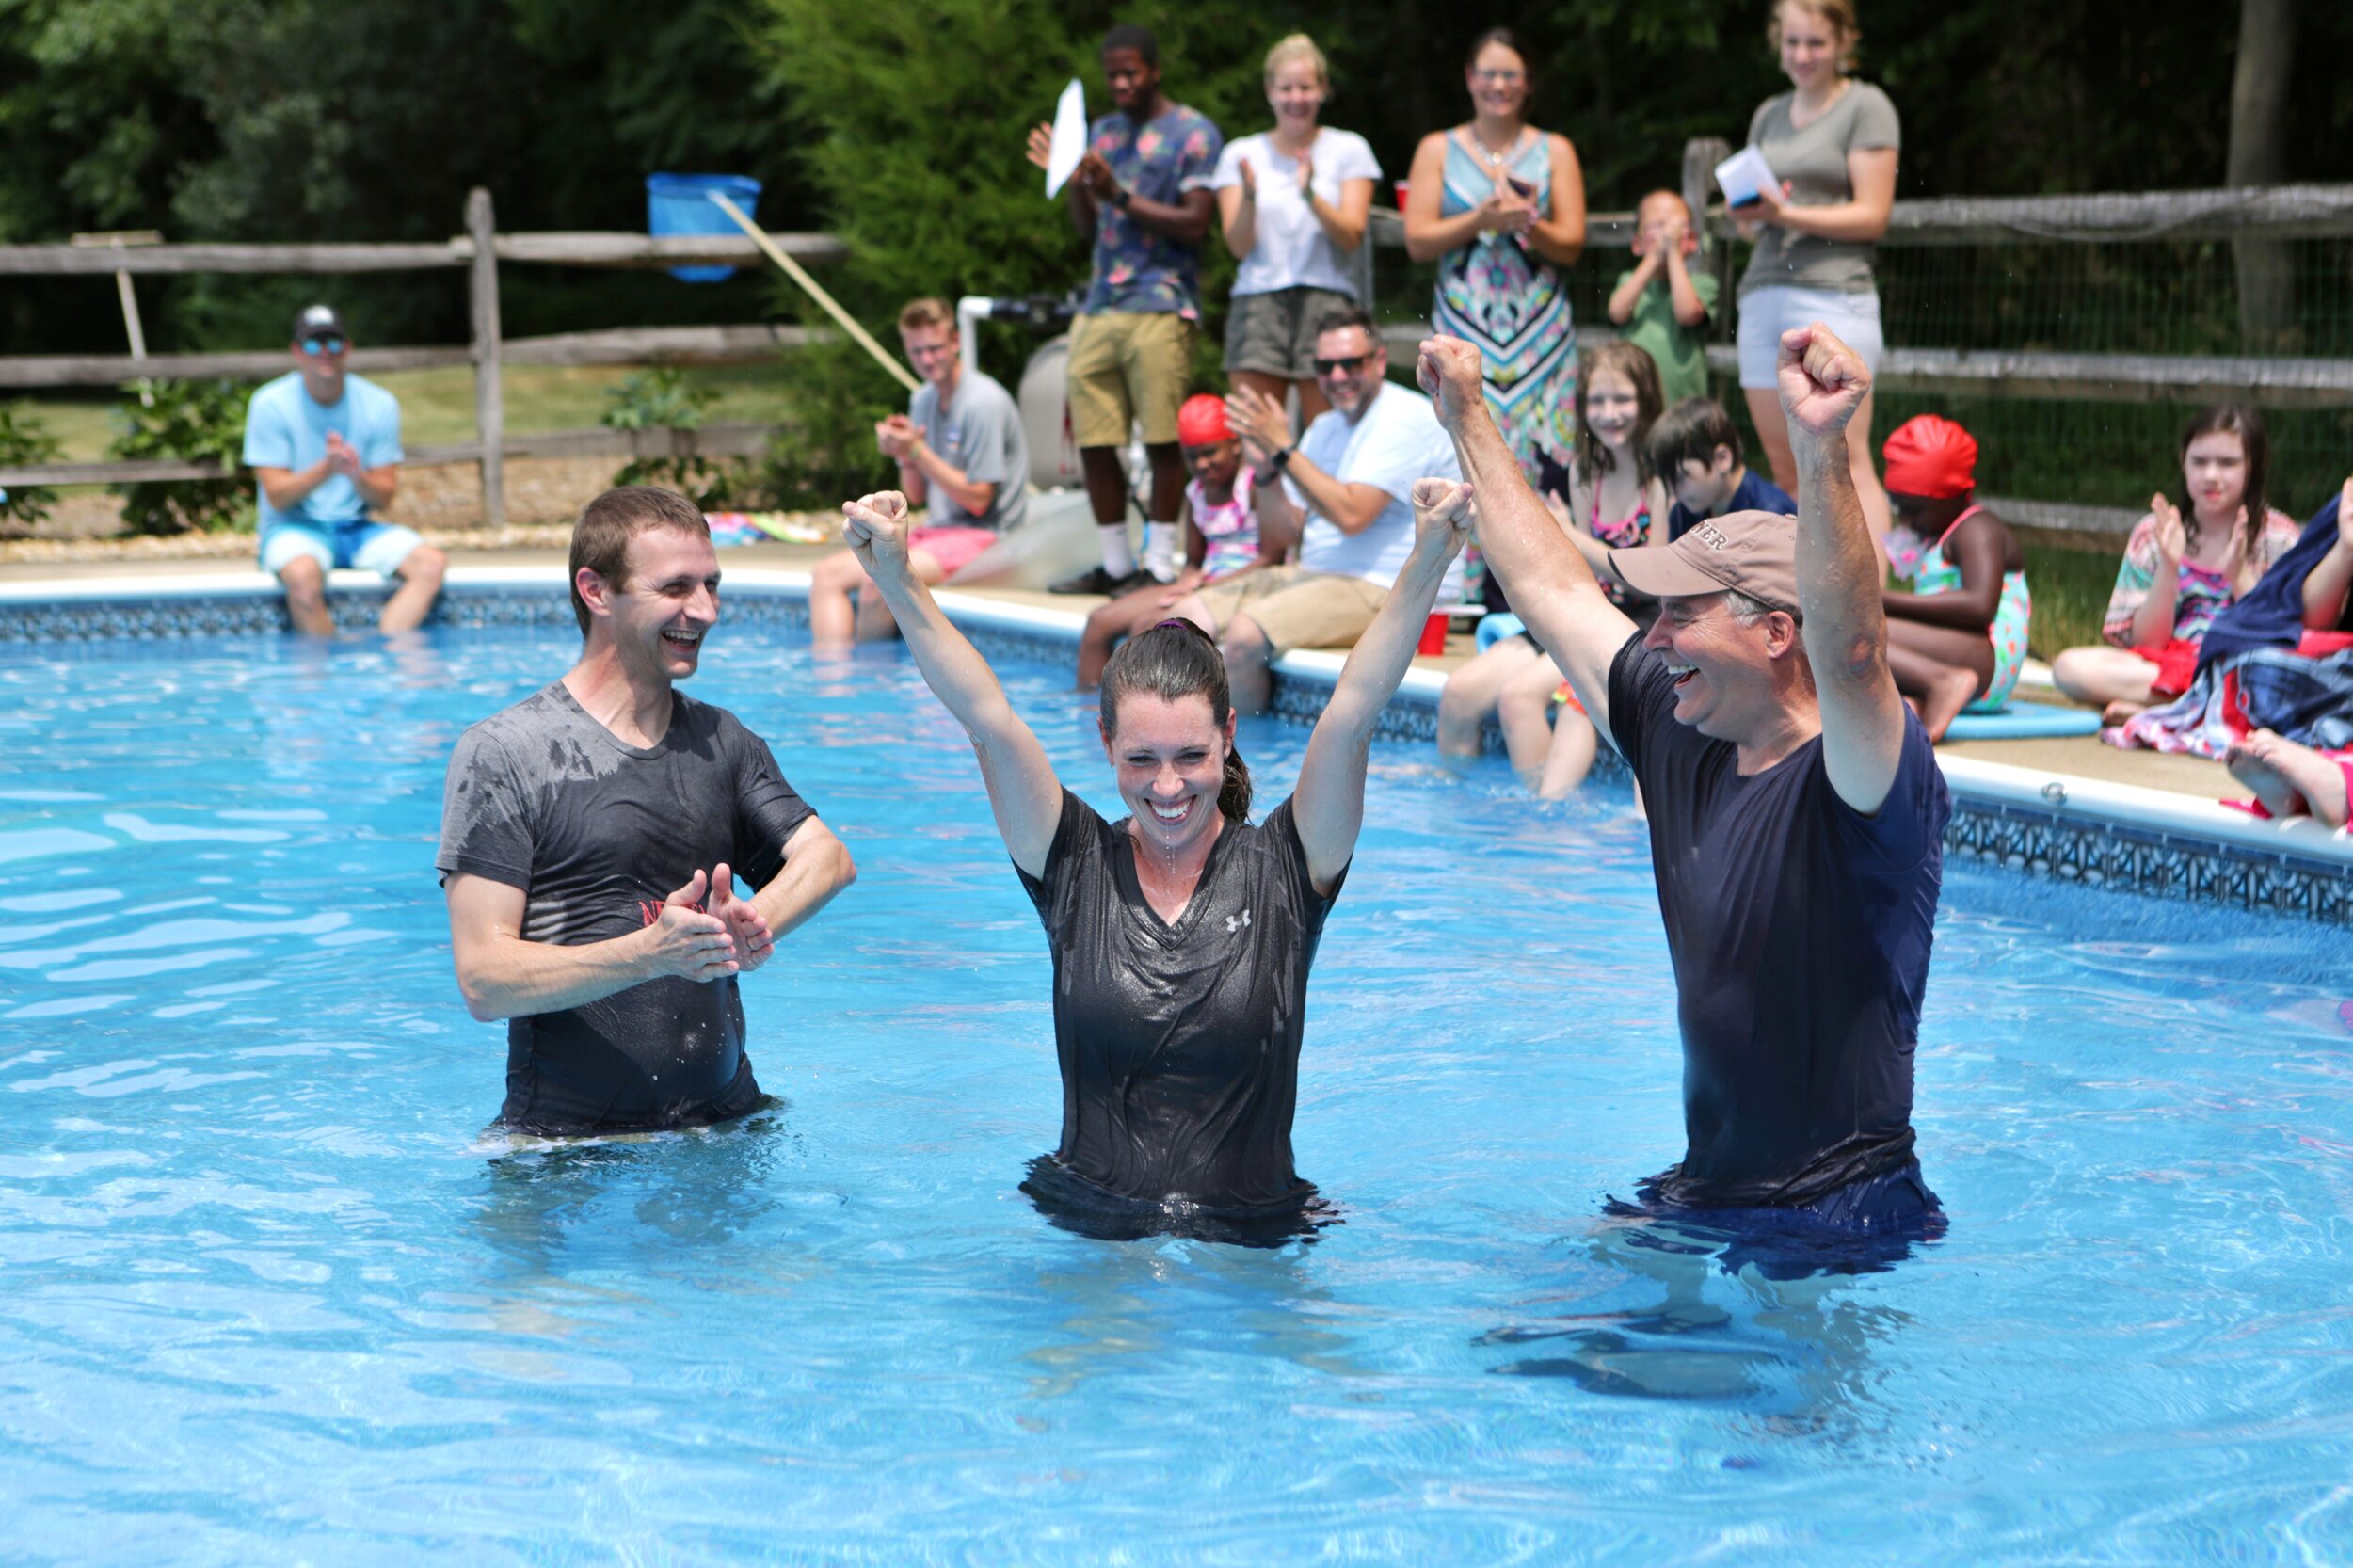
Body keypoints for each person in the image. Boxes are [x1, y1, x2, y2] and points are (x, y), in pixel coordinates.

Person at [836, 474, 1478, 1243]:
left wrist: (1430, 554)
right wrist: (897, 577)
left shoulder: (1287, 871)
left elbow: (1354, 713)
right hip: (1090, 1233)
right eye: (1140, 759)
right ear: (1105, 744)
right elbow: (987, 721)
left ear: (1230, 736)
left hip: (1256, 1238)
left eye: (1191, 756)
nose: (1167, 787)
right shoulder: (1071, 862)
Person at [1417, 320, 1950, 1230]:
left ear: (1777, 633)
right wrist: (1466, 413)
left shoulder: (1860, 793)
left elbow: (1856, 651)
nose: (1653, 639)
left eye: (1681, 616)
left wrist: (1821, 446)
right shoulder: (1682, 733)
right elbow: (1553, 594)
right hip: (1710, 1187)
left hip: (1839, 1208)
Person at [437, 487, 857, 1137]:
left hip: (727, 1130)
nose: (706, 611)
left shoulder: (723, 742)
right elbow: (484, 981)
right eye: (677, 588)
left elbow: (828, 857)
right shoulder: (505, 753)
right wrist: (651, 954)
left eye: (712, 586)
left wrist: (738, 934)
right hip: (566, 1149)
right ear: (596, 591)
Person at [1024, 24, 1222, 592]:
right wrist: (1073, 182)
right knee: (1094, 440)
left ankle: (1158, 565)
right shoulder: (1103, 133)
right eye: (1112, 74)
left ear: (1155, 69)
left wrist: (1117, 194)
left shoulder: (1193, 132)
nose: (1121, 83)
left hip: (1162, 301)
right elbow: (1090, 229)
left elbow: (1197, 224)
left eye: (1132, 72)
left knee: (1162, 437)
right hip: (1100, 302)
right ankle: (1114, 565)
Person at [1197, 306, 1463, 715]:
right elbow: (1285, 534)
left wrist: (1283, 449)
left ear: (1378, 360)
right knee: (1183, 619)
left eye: (1350, 363)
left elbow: (1352, 516)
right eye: (1325, 366)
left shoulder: (1403, 418)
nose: (1337, 376)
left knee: (1246, 636)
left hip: (1387, 588)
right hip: (1319, 577)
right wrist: (1267, 470)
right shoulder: (1324, 427)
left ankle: (1238, 769)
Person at [1439, 341, 1668, 793]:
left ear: (1647, 400)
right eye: (1597, 401)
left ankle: (1546, 821)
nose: (1609, 413)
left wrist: (1573, 538)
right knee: (1459, 692)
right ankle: (1454, 799)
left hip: (1636, 622)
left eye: (1622, 399)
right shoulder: (1586, 472)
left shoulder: (1658, 475)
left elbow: (1654, 576)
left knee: (1517, 698)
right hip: (1583, 606)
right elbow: (1575, 570)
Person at [1732, 0, 1900, 541]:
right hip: (1762, 295)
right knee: (1788, 471)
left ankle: (1872, 610)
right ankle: (1813, 609)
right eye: (1792, 43)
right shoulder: (1768, 114)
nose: (1802, 55)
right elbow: (1752, 228)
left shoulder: (1867, 106)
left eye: (1816, 43)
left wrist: (1785, 212)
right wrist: (1753, 214)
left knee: (1846, 462)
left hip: (1833, 294)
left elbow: (1873, 215)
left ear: (1842, 44)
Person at [1401, 27, 1586, 482]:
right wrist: (1481, 219)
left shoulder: (1555, 149)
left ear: (1527, 82)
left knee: (1547, 458)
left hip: (1540, 334)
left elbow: (1571, 245)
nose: (1498, 85)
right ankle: (1468, 553)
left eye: (1510, 75)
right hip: (1464, 325)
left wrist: (1527, 223)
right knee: (1466, 454)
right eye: (1488, 74)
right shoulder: (1436, 148)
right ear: (1469, 77)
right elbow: (1418, 241)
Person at [2050, 404, 2302, 723]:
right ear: (2183, 461)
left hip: (2244, 666)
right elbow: (2147, 643)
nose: (2211, 475)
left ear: (2252, 466)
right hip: (2166, 668)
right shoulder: (2153, 532)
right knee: (2069, 668)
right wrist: (2169, 567)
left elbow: (2280, 635)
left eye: (2227, 463)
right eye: (2199, 461)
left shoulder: (2278, 536)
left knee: (2277, 678)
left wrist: (2238, 575)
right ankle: (2192, 705)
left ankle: (2170, 707)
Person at [806, 298, 1032, 645]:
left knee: (878, 585)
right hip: (940, 532)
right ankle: (833, 685)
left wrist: (915, 450)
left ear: (955, 341)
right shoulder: (924, 399)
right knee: (826, 575)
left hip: (988, 538)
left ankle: (867, 685)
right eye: (917, 352)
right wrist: (904, 456)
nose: (927, 360)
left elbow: (978, 501)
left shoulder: (983, 403)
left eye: (935, 348)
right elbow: (918, 495)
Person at [243, 304, 445, 636]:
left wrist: (354, 473)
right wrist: (326, 469)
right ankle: (328, 680)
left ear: (347, 348)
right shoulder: (269, 404)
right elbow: (277, 497)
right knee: (304, 579)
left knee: (431, 564)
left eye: (333, 342)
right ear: (297, 352)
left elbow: (383, 498)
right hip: (294, 528)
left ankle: (389, 658)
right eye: (313, 344)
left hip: (356, 528)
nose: (324, 352)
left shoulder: (379, 404)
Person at [1210, 34, 1380, 426]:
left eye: (1306, 87)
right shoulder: (1241, 154)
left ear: (1322, 90)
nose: (1296, 98)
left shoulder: (1348, 149)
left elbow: (1351, 236)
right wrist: (1249, 197)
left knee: (1329, 432)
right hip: (1257, 302)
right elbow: (1237, 247)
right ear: (1269, 92)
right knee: (1257, 435)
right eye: (1286, 88)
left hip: (1328, 300)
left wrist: (1310, 195)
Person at [1076, 394, 1290, 688]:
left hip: (1248, 581)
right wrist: (1185, 583)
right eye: (1191, 456)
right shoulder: (1195, 493)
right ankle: (1090, 718)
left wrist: (1205, 587)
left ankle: (1140, 711)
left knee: (1145, 627)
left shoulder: (1253, 486)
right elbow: (1193, 561)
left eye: (1210, 452)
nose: (1201, 464)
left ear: (1236, 444)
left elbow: (1272, 557)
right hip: (1207, 581)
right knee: (1098, 622)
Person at [1877, 414, 2032, 741]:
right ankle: (1917, 700)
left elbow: (1979, 606)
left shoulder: (1977, 528)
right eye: (1899, 506)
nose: (1905, 518)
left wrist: (1884, 599)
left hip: (1988, 661)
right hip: (1965, 657)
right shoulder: (1942, 530)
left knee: (1856, 630)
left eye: (1915, 508)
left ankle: (1941, 683)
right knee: (1850, 628)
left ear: (1955, 495)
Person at [1607, 189, 1720, 408]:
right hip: (1634, 404)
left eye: (1677, 227)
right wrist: (1655, 257)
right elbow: (1617, 313)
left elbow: (1687, 314)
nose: (1667, 235)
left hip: (1683, 406)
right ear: (1636, 244)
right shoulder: (1629, 281)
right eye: (1656, 226)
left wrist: (1673, 254)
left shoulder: (1702, 284)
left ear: (1692, 241)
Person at [1649, 396, 1796, 542]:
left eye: (1680, 477)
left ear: (1722, 459)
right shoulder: (1684, 513)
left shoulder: (1770, 516)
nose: (1673, 491)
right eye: (1667, 480)